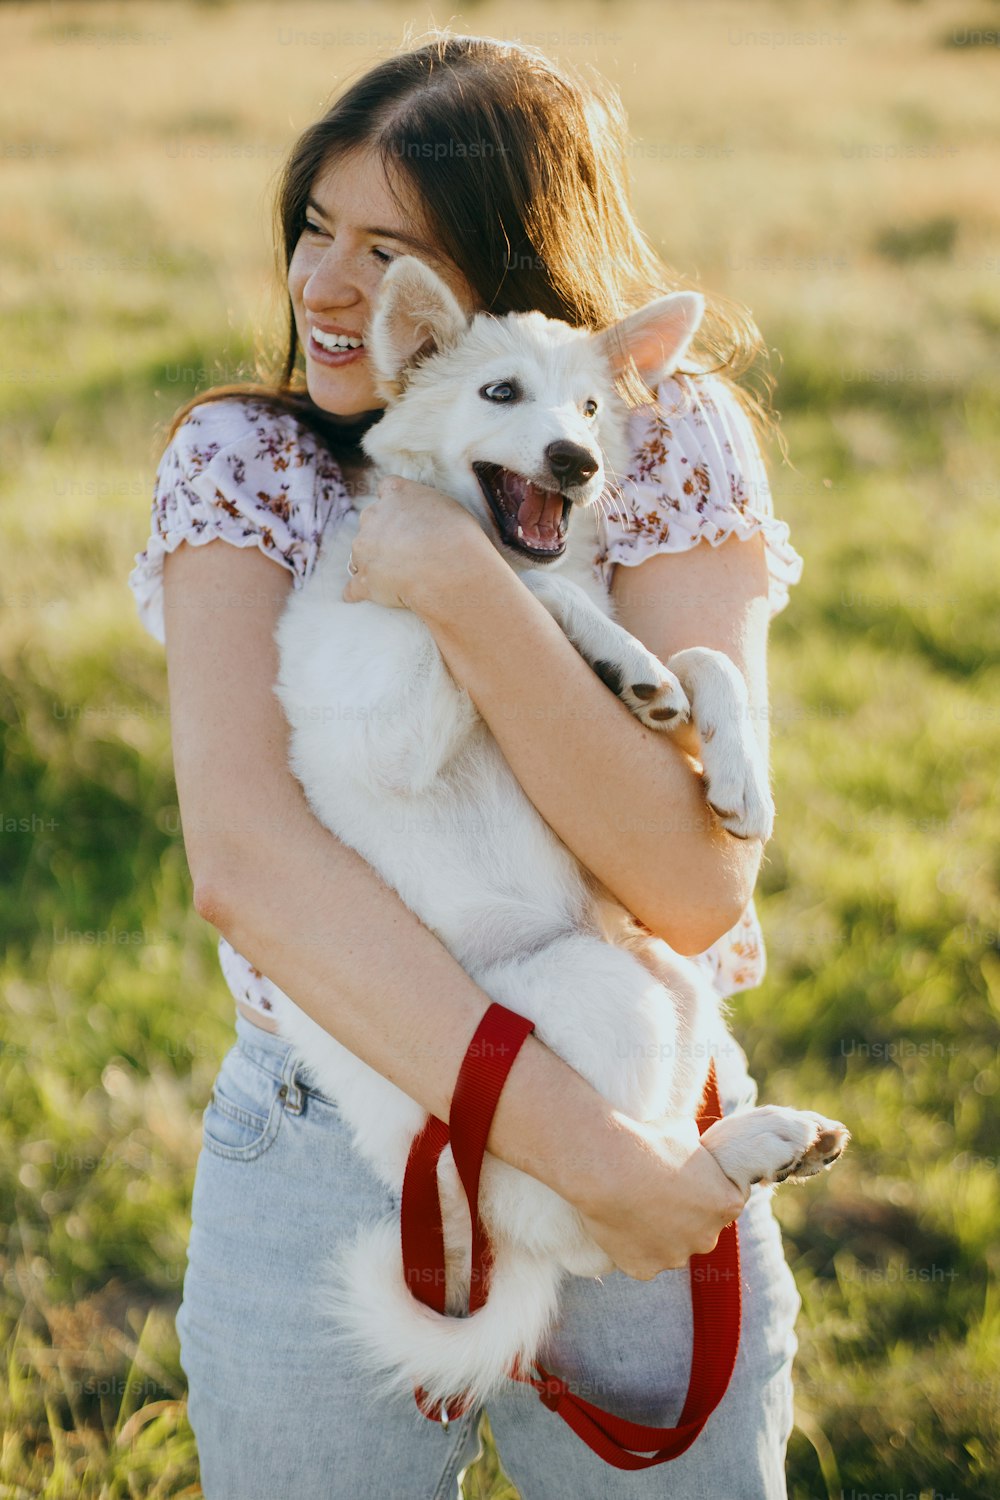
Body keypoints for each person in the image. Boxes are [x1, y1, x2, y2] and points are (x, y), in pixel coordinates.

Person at [129, 31, 806, 1500]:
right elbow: (247, 869)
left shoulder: (664, 438)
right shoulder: (249, 463)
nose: (323, 286)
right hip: (336, 1139)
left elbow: (691, 883)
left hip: (636, 1078)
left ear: (494, 275)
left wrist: (461, 580)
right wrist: (609, 1179)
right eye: (315, 225)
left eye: (388, 248)